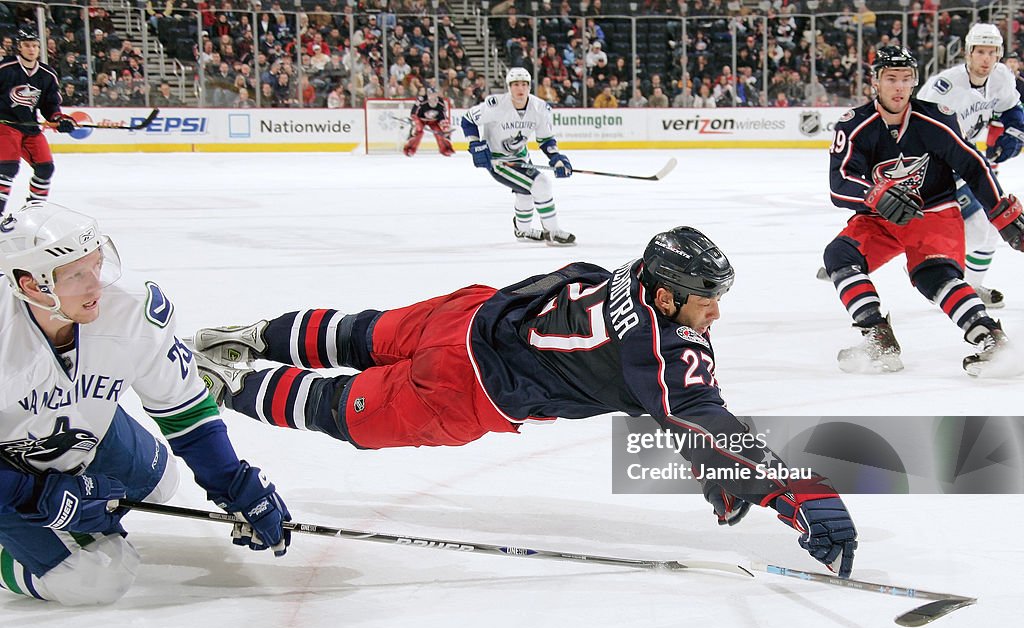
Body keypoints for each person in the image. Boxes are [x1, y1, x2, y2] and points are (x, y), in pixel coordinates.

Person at [189, 226, 859, 579]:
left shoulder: (632, 274)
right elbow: (699, 416)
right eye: (704, 296)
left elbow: (586, 305)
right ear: (664, 295)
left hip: (471, 312)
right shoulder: (663, 345)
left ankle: (252, 334)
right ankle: (228, 384)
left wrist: (711, 465)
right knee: (346, 409)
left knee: (361, 332)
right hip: (467, 387)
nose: (714, 311)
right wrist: (793, 489)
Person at [0, 203, 291, 606]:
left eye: (97, 265)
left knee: (157, 483)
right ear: (31, 284)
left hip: (78, 434)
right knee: (97, 578)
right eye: (77, 275)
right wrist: (33, 495)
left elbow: (185, 410)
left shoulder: (130, 310)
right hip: (7, 468)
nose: (95, 286)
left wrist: (232, 482)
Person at [824, 46, 1024, 378]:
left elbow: (973, 166)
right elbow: (838, 183)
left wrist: (999, 211)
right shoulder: (854, 125)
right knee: (839, 256)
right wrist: (875, 195)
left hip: (932, 212)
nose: (899, 87)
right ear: (875, 82)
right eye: (891, 79)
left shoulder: (935, 119)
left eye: (906, 79)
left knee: (934, 276)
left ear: (915, 82)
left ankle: (991, 337)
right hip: (880, 217)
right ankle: (878, 337)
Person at [918, 23, 1024, 309]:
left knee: (992, 228)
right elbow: (917, 129)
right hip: (938, 164)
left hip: (967, 160)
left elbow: (1012, 108)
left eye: (992, 52)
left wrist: (1015, 132)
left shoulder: (1001, 76)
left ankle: (972, 286)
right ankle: (931, 266)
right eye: (980, 52)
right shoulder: (944, 87)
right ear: (968, 53)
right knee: (980, 225)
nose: (986, 59)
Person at [461, 67, 575, 245]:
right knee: (541, 184)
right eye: (515, 84)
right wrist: (475, 143)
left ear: (529, 86)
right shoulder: (495, 105)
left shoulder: (539, 108)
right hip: (499, 161)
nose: (519, 88)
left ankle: (522, 230)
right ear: (508, 86)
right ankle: (552, 232)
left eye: (524, 84)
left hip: (522, 158)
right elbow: (467, 120)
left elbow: (546, 139)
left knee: (525, 193)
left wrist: (556, 157)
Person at [0, 29, 78, 215]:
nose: (32, 49)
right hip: (5, 125)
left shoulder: (47, 74)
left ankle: (34, 212)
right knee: (7, 168)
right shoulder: (5, 68)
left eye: (35, 45)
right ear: (19, 47)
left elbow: (50, 105)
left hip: (30, 127)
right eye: (27, 45)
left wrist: (59, 120)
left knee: (45, 169)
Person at [403, 89, 454, 157]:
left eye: (434, 94)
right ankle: (409, 149)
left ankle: (445, 149)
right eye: (431, 94)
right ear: (427, 94)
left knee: (439, 132)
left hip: (434, 121)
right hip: (421, 119)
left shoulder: (440, 102)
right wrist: (414, 120)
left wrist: (445, 127)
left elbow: (443, 116)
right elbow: (414, 112)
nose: (432, 96)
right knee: (419, 132)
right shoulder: (421, 100)